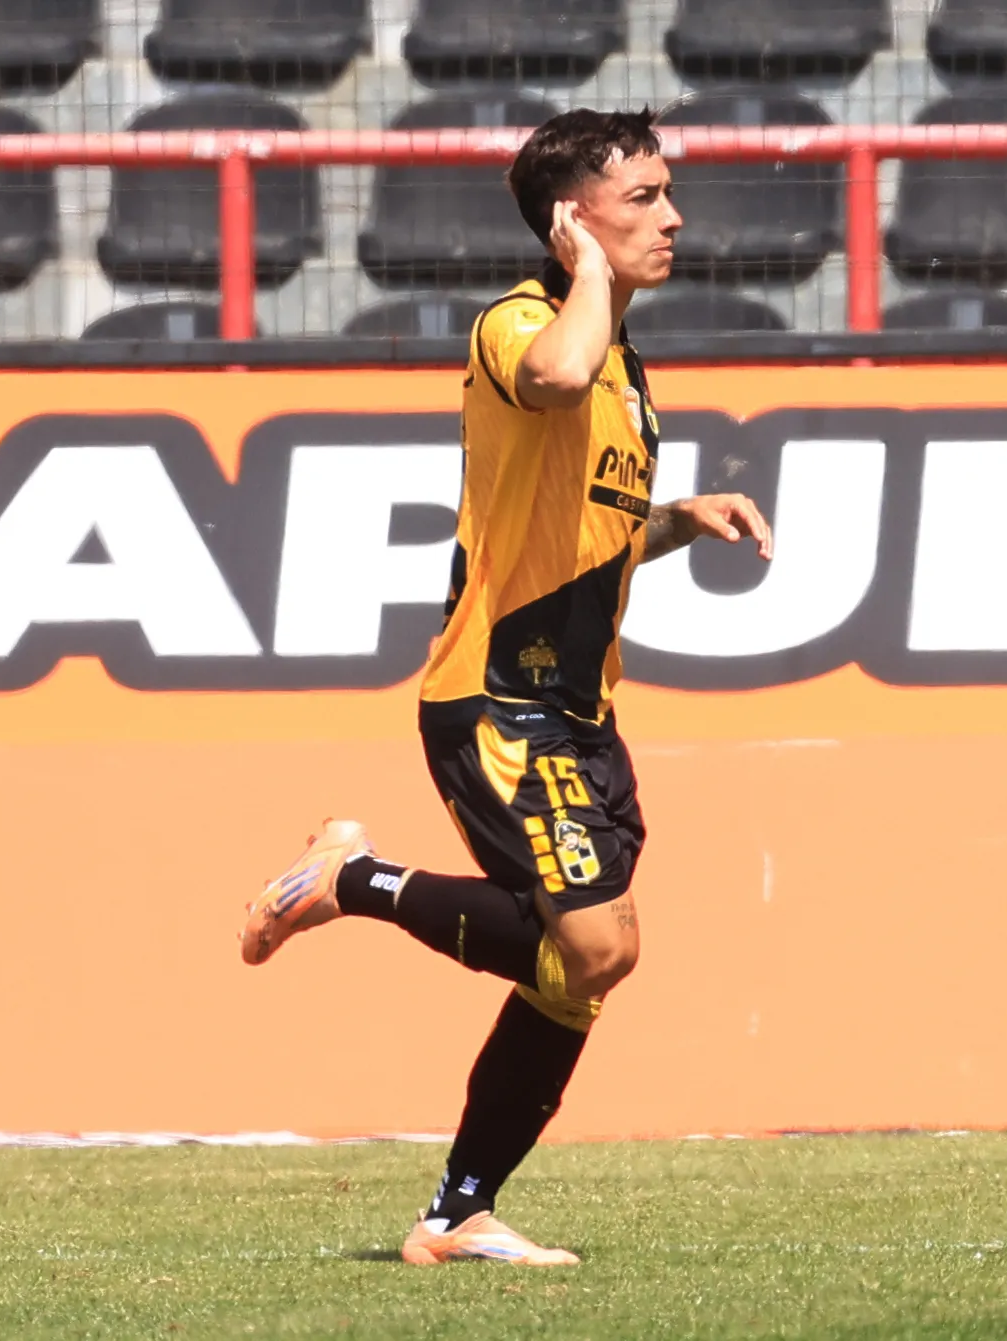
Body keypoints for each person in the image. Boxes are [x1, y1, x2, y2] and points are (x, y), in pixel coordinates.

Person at [237, 107, 772, 1267]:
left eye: (668, 193)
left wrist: (677, 519)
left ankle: (457, 1213)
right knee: (587, 951)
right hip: (492, 701)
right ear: (572, 222)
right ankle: (351, 880)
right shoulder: (525, 323)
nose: (672, 216)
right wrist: (582, 272)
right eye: (642, 199)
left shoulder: (626, 363)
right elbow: (556, 375)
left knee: (592, 964)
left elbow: (581, 539)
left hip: (579, 711)